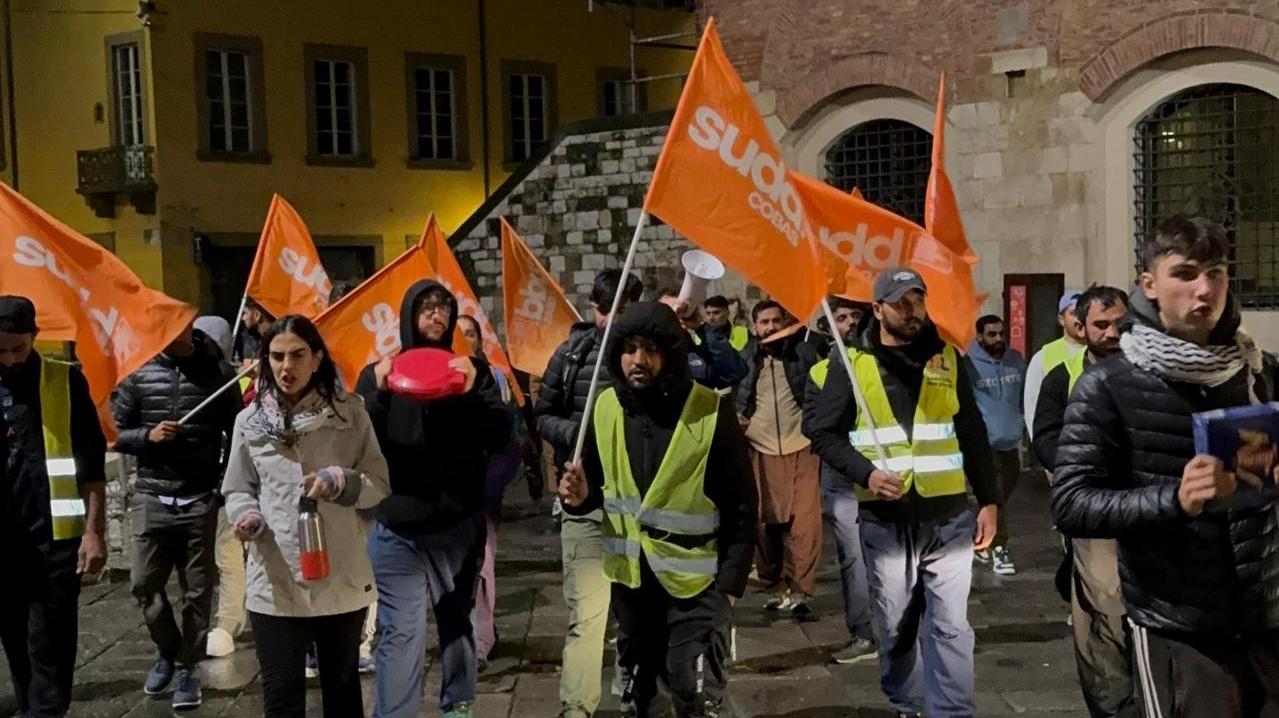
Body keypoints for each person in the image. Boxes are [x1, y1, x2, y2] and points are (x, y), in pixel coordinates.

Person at [1051, 216, 1279, 717]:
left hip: (1267, 613)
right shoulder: (1108, 385)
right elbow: (1071, 503)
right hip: (1180, 629)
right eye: (1186, 273)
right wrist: (1175, 499)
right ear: (1149, 284)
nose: (1205, 289)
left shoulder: (1259, 370)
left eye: (1216, 273)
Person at [808, 268, 1001, 717]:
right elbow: (823, 432)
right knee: (895, 622)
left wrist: (990, 500)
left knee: (951, 624)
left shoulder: (947, 356)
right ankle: (907, 701)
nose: (913, 312)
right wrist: (867, 473)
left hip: (949, 515)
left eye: (918, 300)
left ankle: (951, 711)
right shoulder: (851, 363)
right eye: (901, 303)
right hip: (885, 518)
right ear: (877, 309)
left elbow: (971, 431)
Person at [557, 301, 758, 718]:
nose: (639, 360)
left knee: (688, 687)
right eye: (629, 349)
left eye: (650, 349)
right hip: (631, 583)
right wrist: (578, 498)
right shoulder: (606, 407)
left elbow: (741, 506)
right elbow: (594, 486)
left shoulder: (709, 411)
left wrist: (730, 589)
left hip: (695, 585)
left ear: (670, 353)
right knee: (640, 695)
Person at [356, 280, 511, 718]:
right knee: (399, 632)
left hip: (455, 526)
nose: (436, 313)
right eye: (425, 306)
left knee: (455, 622)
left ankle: (457, 703)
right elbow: (359, 439)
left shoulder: (472, 371)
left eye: (443, 306)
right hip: (397, 526)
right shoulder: (378, 372)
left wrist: (465, 395)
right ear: (408, 316)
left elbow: (500, 435)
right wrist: (382, 393)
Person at [222, 315, 390, 717]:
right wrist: (247, 516)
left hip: (339, 574)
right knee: (281, 695)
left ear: (316, 359)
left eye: (297, 355)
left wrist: (341, 481)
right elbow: (238, 486)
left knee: (342, 690)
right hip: (275, 579)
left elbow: (378, 483)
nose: (286, 367)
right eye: (276, 356)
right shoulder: (249, 421)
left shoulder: (351, 413)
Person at [113, 319, 241, 709]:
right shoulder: (137, 370)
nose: (172, 336)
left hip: (199, 497)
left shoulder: (218, 372)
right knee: (143, 583)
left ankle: (189, 667)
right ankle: (168, 650)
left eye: (179, 328)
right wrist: (145, 437)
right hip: (153, 496)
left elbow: (237, 433)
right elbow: (112, 429)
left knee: (197, 591)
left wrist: (222, 488)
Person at [534, 269, 643, 718]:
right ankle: (577, 707)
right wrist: (578, 432)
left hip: (637, 510)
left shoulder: (644, 357)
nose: (614, 320)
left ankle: (632, 694)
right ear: (594, 309)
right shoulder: (572, 354)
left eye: (624, 310)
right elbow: (542, 414)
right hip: (582, 505)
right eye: (606, 310)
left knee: (633, 616)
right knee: (588, 616)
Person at [0, 296, 107, 717]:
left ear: (35, 338)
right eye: (0, 350)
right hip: (4, 547)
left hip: (55, 544)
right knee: (18, 650)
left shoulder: (64, 382)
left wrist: (94, 532)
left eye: (17, 349)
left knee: (52, 651)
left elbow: (92, 466)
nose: (8, 359)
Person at [1031, 285, 1135, 718]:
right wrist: (1081, 471)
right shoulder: (1062, 375)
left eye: (1120, 324)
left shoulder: (1149, 368)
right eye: (1101, 324)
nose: (1112, 333)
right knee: (1103, 618)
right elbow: (1046, 437)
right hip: (1096, 516)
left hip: (1149, 509)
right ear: (1080, 325)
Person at [801, 296, 876, 665]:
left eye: (854, 317)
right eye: (840, 318)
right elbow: (812, 426)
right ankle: (864, 632)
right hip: (842, 478)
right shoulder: (819, 372)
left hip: (880, 472)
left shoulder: (879, 365)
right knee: (854, 558)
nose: (848, 324)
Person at [457, 314, 533, 673]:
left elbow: (513, 437)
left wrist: (491, 485)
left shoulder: (497, 381)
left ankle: (481, 641)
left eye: (469, 333)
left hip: (484, 495)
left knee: (482, 566)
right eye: (458, 332)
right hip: (449, 499)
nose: (463, 338)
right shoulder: (436, 378)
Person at [736, 300, 821, 615]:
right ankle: (775, 586)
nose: (770, 327)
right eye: (764, 322)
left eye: (775, 321)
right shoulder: (747, 358)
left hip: (802, 445)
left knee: (805, 524)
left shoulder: (803, 353)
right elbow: (736, 390)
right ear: (755, 327)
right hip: (760, 445)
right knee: (763, 523)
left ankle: (801, 590)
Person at [192, 316, 251, 660]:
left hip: (229, 484)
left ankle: (229, 621)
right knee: (219, 557)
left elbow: (238, 431)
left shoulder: (231, 380)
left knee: (229, 556)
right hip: (202, 483)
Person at [964, 314, 1026, 576]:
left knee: (999, 497)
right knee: (995, 498)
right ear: (979, 336)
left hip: (1011, 442)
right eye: (991, 334)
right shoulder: (969, 365)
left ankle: (979, 541)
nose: (998, 339)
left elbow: (1024, 396)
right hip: (984, 445)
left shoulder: (1015, 361)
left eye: (1001, 333)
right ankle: (1000, 547)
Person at [657, 287, 749, 390]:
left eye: (679, 312)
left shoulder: (694, 352)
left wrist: (700, 328)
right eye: (666, 312)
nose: (673, 317)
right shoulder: (643, 350)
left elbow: (734, 373)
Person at [1023, 290, 1085, 439]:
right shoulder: (1043, 357)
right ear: (1061, 319)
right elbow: (1032, 405)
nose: (1080, 318)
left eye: (1084, 313)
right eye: (1073, 313)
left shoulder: (1098, 352)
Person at [235, 300, 273, 367]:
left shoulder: (275, 341)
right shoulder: (257, 340)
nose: (243, 318)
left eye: (245, 313)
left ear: (257, 315)